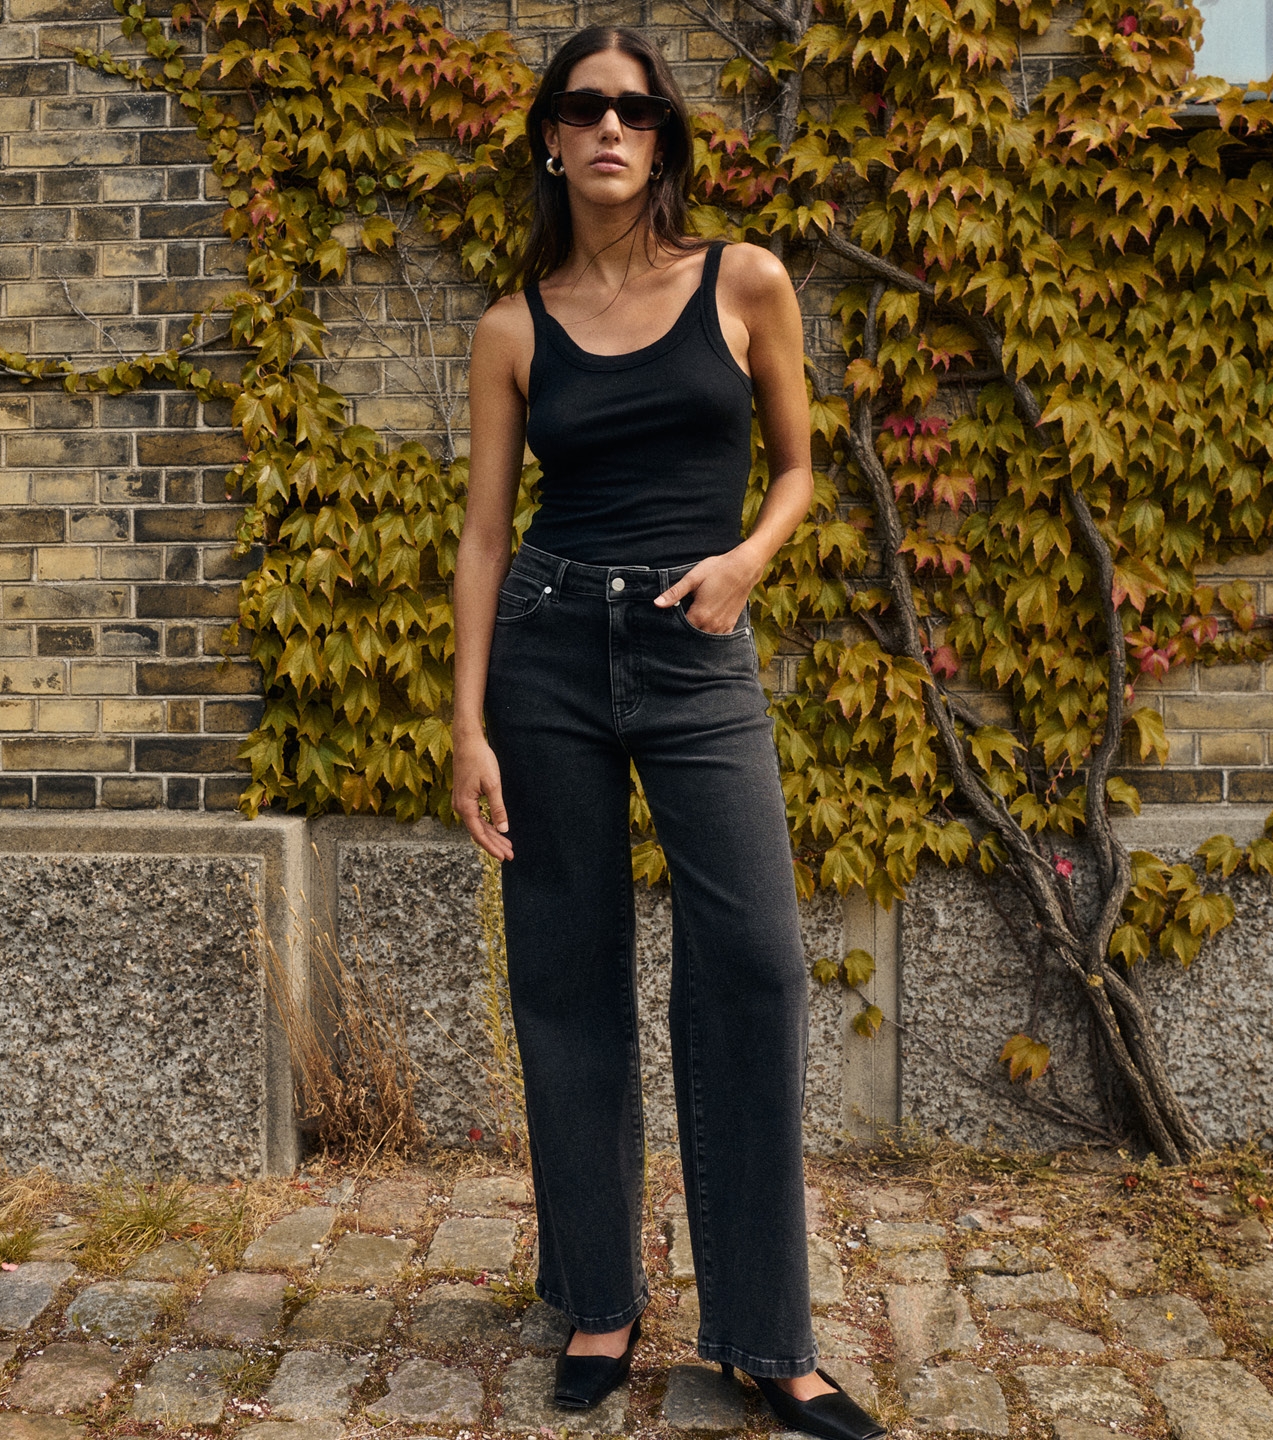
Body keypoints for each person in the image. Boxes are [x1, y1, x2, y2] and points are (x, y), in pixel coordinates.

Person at [449, 23, 886, 1440]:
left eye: (634, 108)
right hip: (553, 651)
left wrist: (751, 559)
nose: (609, 129)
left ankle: (767, 1336)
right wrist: (468, 722)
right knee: (567, 977)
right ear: (551, 138)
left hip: (700, 652)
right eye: (583, 107)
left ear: (665, 135)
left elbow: (803, 466)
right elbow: (482, 535)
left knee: (754, 964)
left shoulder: (745, 281)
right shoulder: (514, 326)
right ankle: (597, 1302)